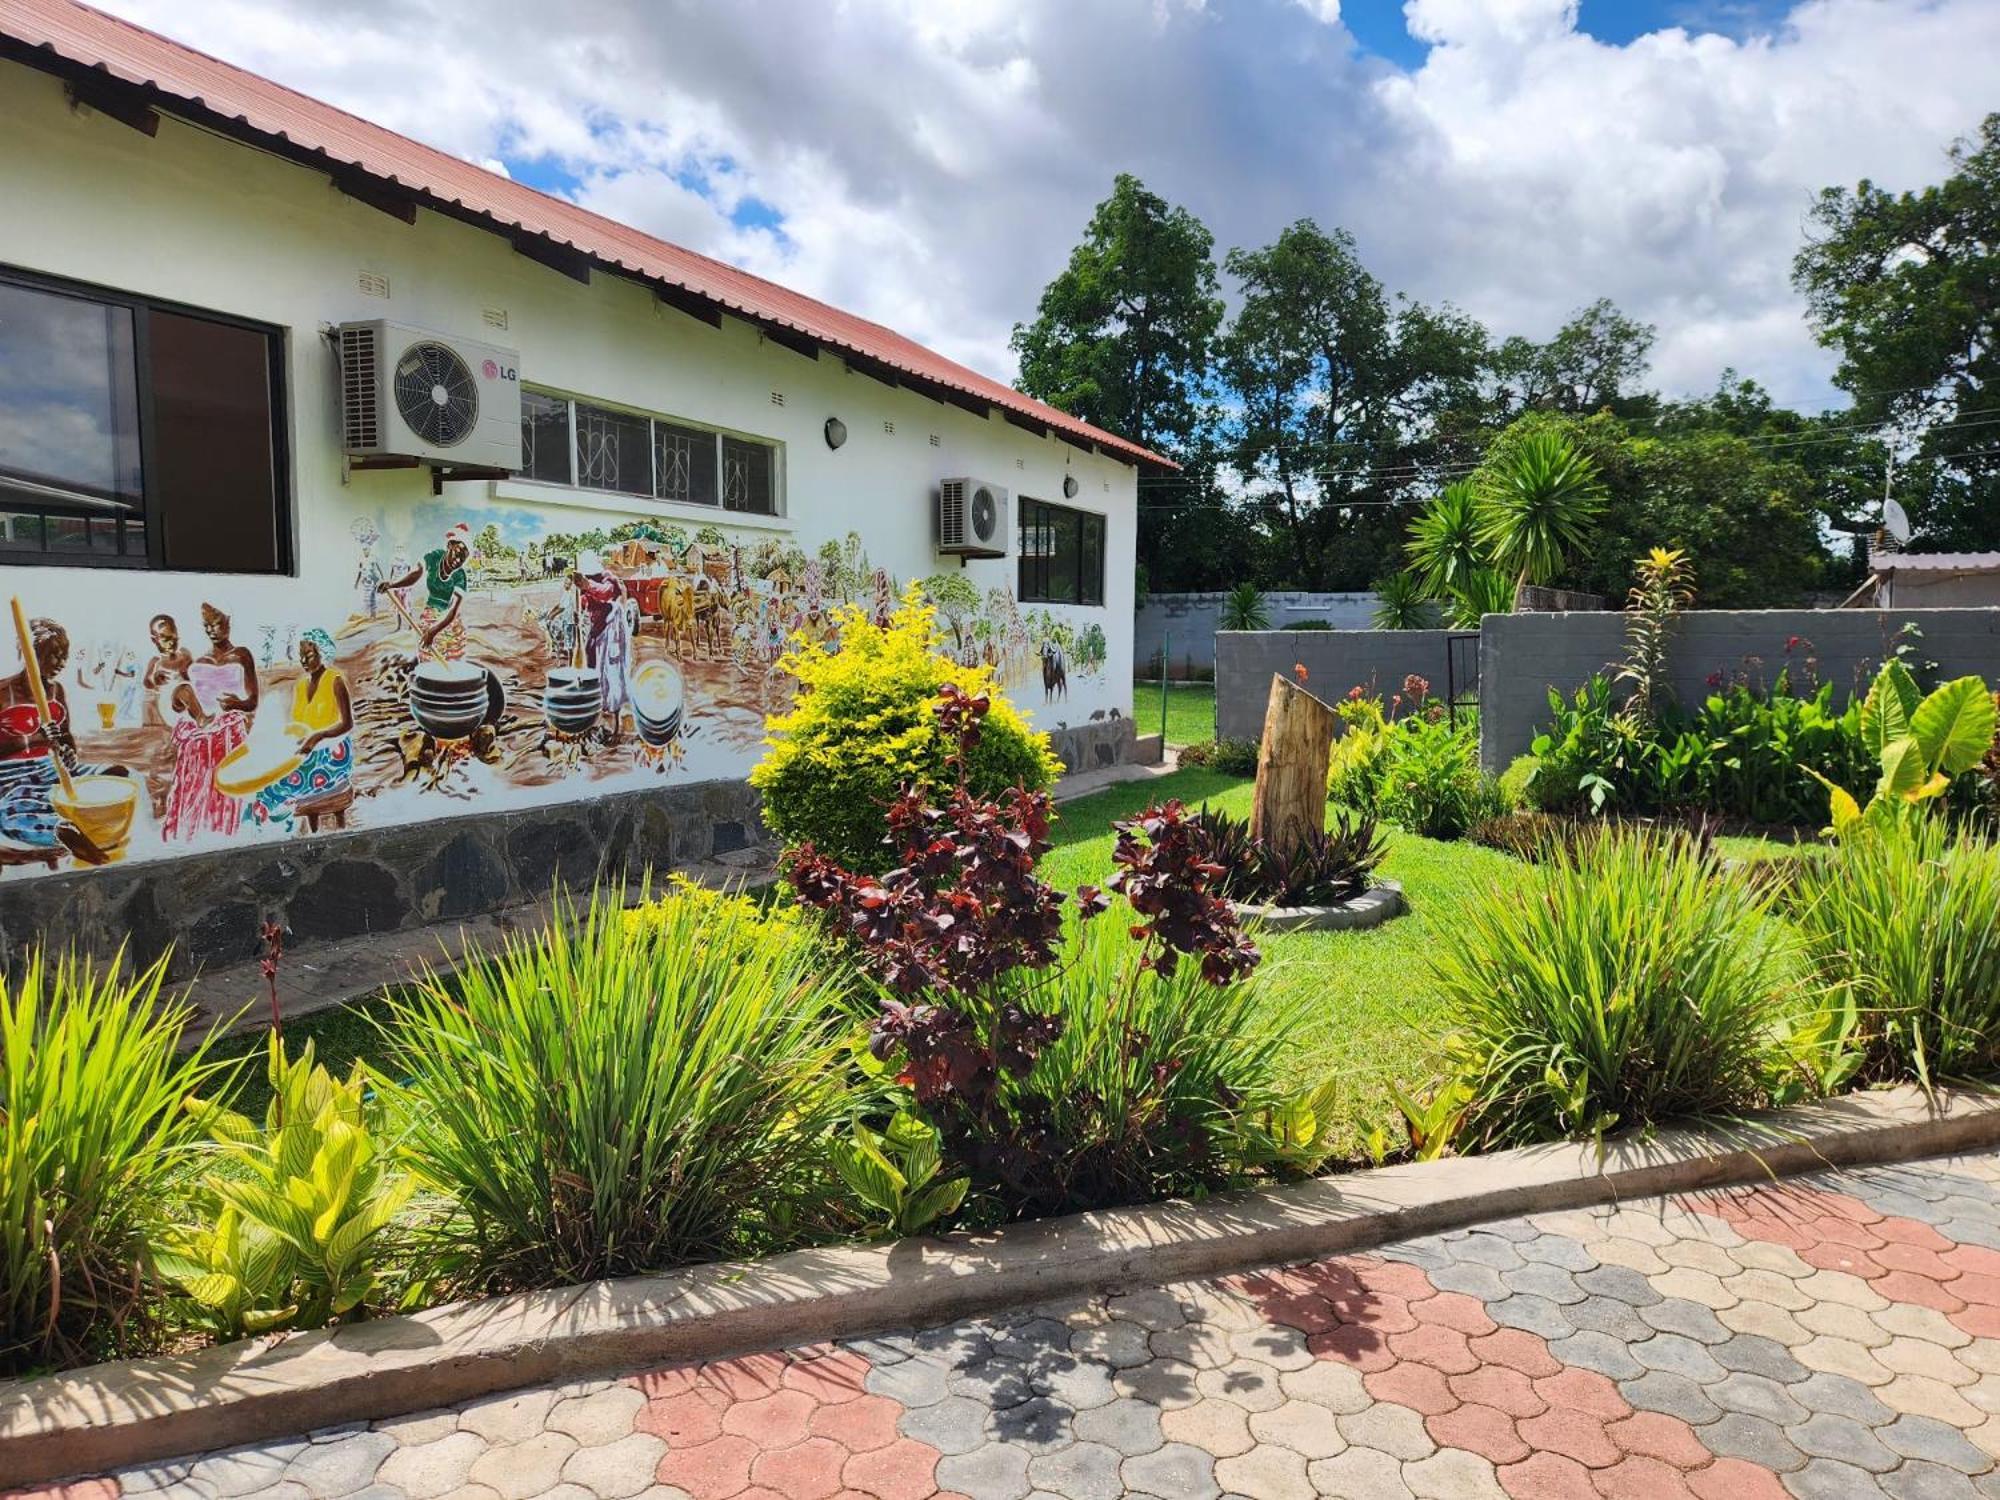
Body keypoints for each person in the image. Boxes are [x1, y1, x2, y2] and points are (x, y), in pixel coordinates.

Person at [0, 617, 130, 865]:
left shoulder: (56, 691)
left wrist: (69, 753)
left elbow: (66, 738)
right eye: (54, 655)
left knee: (117, 774)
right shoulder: (2, 692)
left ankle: (91, 820)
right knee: (12, 813)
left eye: (64, 655)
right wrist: (34, 739)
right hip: (10, 776)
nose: (61, 662)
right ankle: (60, 831)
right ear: (33, 654)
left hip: (52, 768)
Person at [162, 603, 257, 840]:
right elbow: (184, 698)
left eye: (216, 624)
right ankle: (191, 835)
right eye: (207, 626)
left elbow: (253, 701)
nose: (212, 630)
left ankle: (221, 833)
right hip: (201, 730)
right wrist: (179, 699)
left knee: (222, 787)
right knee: (196, 788)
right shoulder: (200, 661)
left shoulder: (242, 655)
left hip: (227, 729)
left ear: (227, 623)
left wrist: (236, 703)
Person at [245, 628, 353, 829]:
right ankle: (262, 819)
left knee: (286, 782)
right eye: (301, 656)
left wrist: (318, 737)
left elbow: (347, 724)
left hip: (333, 751)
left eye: (309, 655)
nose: (304, 661)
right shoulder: (301, 686)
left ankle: (276, 811)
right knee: (270, 775)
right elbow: (297, 725)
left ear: (322, 653)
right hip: (308, 748)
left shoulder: (335, 680)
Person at [388, 523, 471, 660]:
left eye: (463, 558)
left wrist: (434, 631)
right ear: (449, 546)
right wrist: (392, 585)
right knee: (428, 658)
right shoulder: (435, 557)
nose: (458, 560)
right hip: (429, 616)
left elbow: (454, 609)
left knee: (450, 661)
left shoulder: (460, 575)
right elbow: (415, 574)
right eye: (457, 553)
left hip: (448, 622)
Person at [571, 551, 632, 734]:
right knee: (592, 667)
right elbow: (585, 601)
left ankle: (616, 723)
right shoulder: (587, 586)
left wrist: (586, 584)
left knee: (612, 673)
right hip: (598, 630)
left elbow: (604, 593)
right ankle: (596, 717)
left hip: (612, 632)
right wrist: (577, 607)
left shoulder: (608, 580)